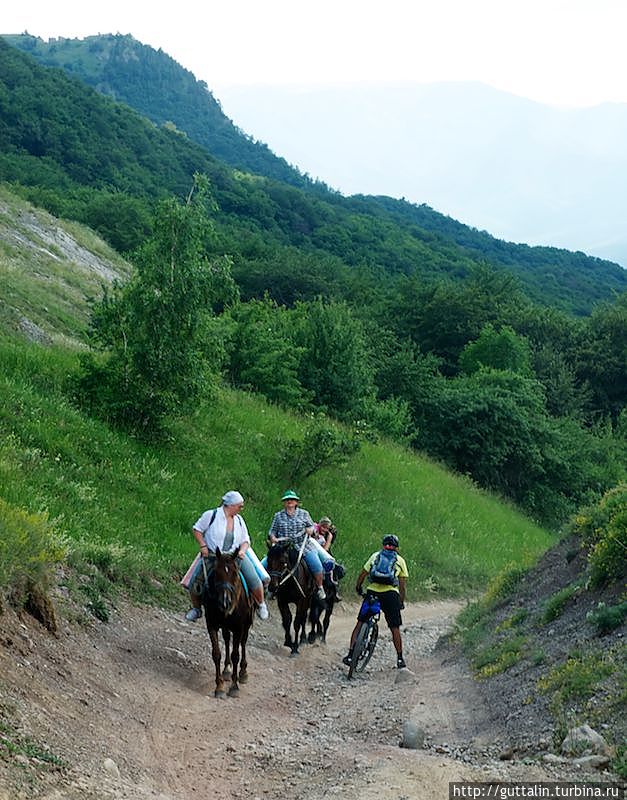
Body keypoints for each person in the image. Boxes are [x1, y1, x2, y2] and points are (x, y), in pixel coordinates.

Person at [182, 490, 269, 621]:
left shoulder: (239, 520)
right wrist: (203, 545)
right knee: (195, 580)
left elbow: (246, 540)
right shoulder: (211, 515)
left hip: (233, 557)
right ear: (231, 505)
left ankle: (261, 604)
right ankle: (196, 608)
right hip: (213, 556)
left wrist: (242, 551)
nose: (241, 509)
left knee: (253, 578)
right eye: (239, 506)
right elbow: (197, 529)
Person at [342, 534, 409, 669]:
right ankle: (400, 659)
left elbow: (363, 574)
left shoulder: (375, 556)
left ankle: (350, 655)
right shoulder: (400, 561)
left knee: (360, 623)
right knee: (394, 627)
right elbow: (402, 585)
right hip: (390, 595)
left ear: (383, 545)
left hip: (373, 593)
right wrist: (401, 601)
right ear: (397, 547)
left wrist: (358, 587)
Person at [267, 490, 329, 601]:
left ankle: (319, 587)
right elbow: (272, 531)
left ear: (296, 502)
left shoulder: (304, 514)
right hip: (283, 549)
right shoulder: (278, 516)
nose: (289, 501)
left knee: (317, 565)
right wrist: (272, 537)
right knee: (266, 564)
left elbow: (313, 528)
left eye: (292, 499)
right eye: (287, 500)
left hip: (303, 546)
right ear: (284, 503)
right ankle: (270, 589)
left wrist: (310, 530)